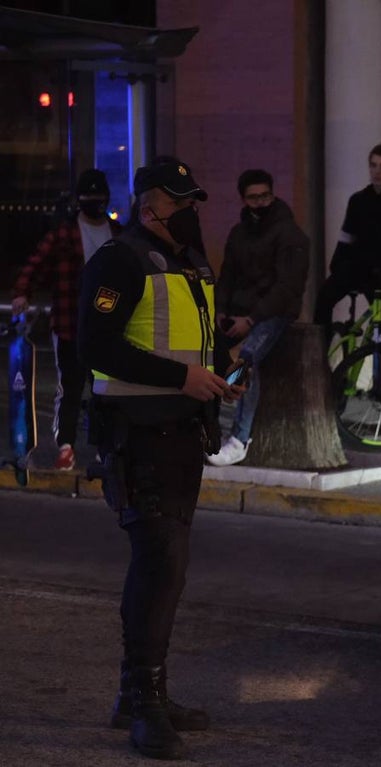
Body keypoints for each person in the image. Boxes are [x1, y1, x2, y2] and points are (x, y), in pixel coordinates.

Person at [78, 157, 241, 761]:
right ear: (149, 208)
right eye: (181, 202)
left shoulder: (190, 264)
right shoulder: (119, 260)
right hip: (137, 437)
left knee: (168, 568)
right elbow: (95, 345)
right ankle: (143, 704)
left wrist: (218, 375)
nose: (193, 210)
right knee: (159, 563)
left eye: (194, 199)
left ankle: (142, 695)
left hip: (179, 437)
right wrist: (183, 378)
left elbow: (197, 337)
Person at [10, 169, 121, 470]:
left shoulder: (117, 232)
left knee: (105, 389)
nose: (94, 202)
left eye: (98, 197)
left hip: (108, 328)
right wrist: (23, 292)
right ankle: (67, 446)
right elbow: (37, 262)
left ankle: (104, 447)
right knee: (70, 388)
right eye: (89, 197)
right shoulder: (65, 233)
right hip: (71, 322)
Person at [313, 143, 381, 431]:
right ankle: (318, 351)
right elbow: (345, 241)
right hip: (358, 271)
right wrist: (336, 272)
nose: (377, 171)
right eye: (373, 165)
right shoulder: (358, 200)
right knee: (323, 298)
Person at [207, 169, 310, 466]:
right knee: (207, 352)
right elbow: (227, 274)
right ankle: (208, 428)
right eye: (253, 197)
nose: (260, 203)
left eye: (265, 196)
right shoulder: (239, 233)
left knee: (246, 359)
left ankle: (240, 438)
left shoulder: (289, 233)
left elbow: (287, 287)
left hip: (274, 313)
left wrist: (251, 319)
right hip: (240, 311)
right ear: (243, 199)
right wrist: (222, 309)